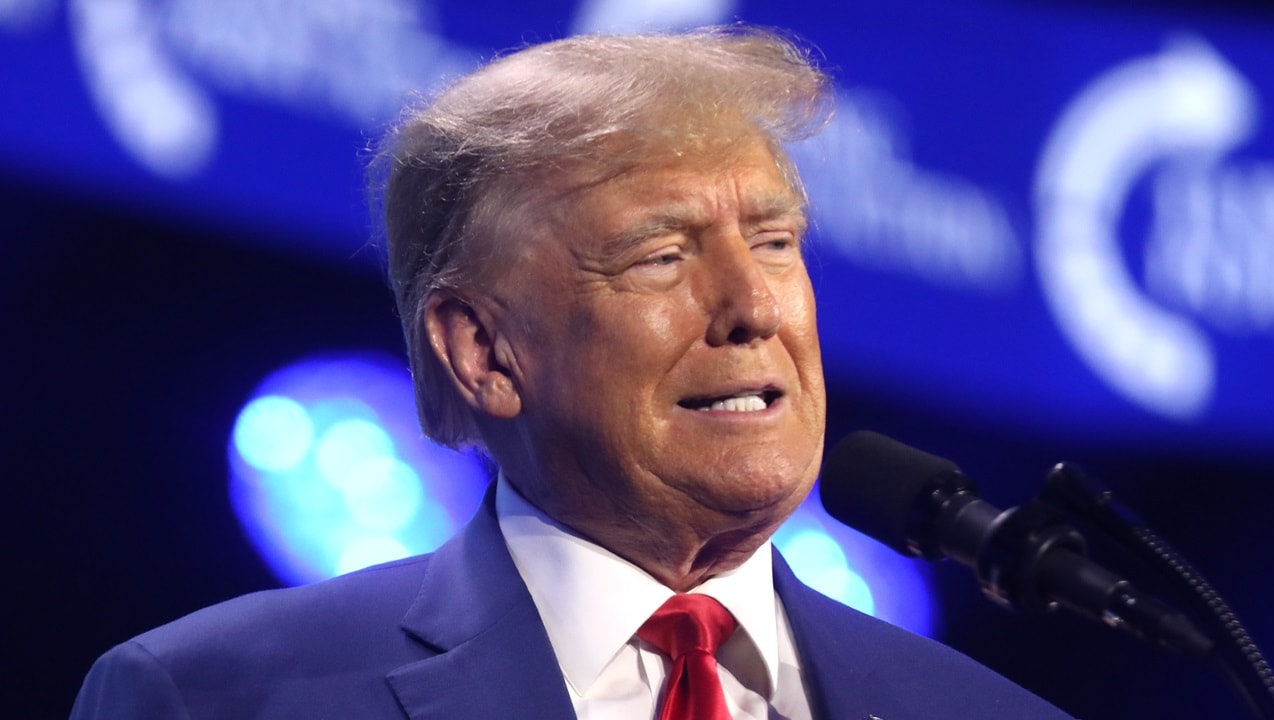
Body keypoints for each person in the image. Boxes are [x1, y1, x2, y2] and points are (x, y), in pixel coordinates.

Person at [71, 26, 1073, 719]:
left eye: (773, 244)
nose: (753, 308)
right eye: (660, 256)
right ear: (483, 352)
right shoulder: (213, 699)